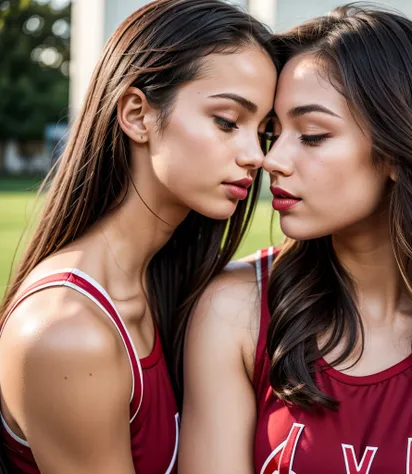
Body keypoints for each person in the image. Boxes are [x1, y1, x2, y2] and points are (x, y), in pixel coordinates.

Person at [179, 4, 412, 473]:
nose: (271, 159)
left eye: (313, 134)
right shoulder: (237, 312)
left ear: (400, 152)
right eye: (274, 133)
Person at [0, 0, 277, 472]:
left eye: (264, 132)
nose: (256, 155)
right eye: (228, 121)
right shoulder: (69, 333)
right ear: (137, 114)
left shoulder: (164, 282)